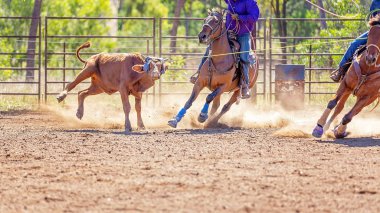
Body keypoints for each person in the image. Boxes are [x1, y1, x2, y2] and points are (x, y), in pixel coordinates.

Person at [191, 0, 260, 99]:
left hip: (242, 34)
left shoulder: (249, 2)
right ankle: (198, 74)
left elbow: (254, 17)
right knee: (209, 49)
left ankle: (245, 85)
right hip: (227, 31)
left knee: (244, 57)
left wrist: (240, 17)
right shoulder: (230, 1)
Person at [330, 0, 380, 82]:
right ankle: (341, 70)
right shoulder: (376, 2)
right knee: (354, 44)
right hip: (375, 32)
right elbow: (373, 18)